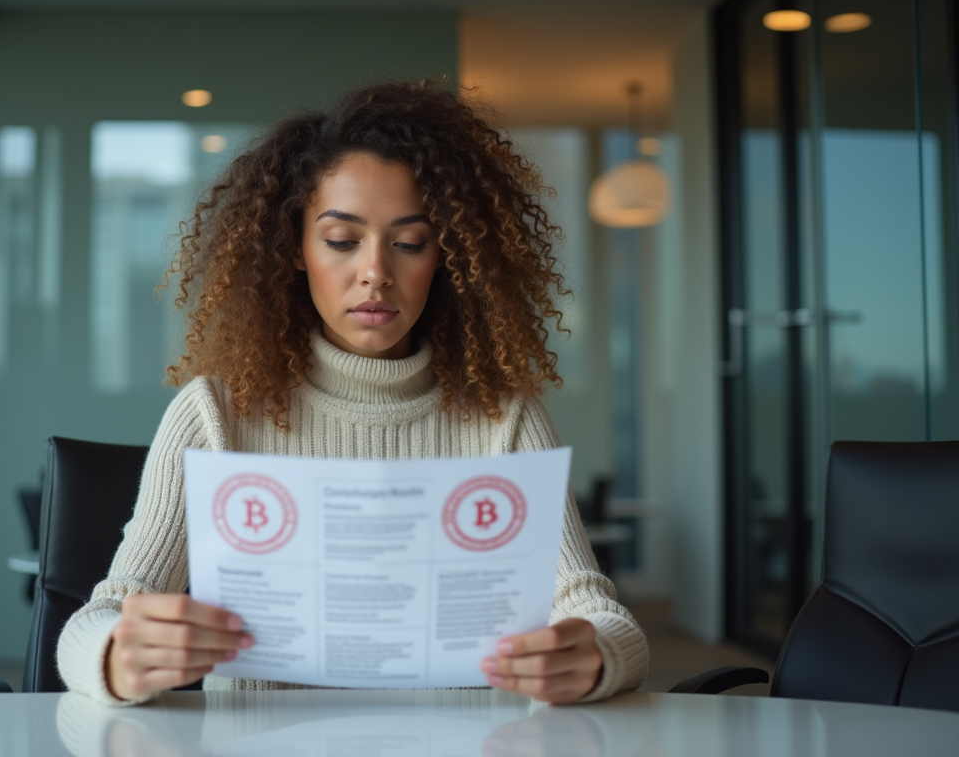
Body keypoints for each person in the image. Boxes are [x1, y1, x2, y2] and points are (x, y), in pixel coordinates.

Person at [57, 80, 649, 706]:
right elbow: (103, 614)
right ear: (295, 249)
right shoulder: (215, 414)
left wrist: (594, 654)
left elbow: (593, 609)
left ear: (445, 256)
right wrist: (116, 654)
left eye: (410, 243)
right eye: (341, 241)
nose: (375, 273)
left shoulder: (505, 419)